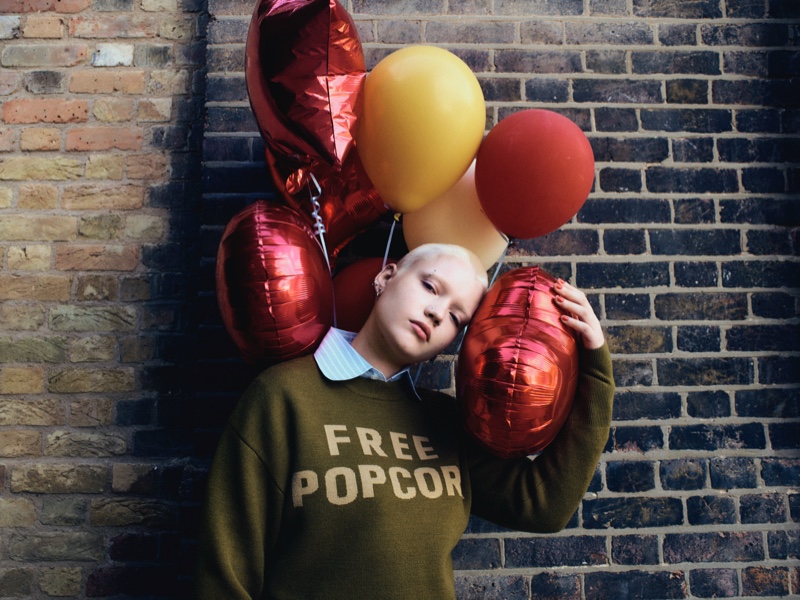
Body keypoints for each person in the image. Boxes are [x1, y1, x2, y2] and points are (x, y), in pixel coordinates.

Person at [195, 242, 614, 599]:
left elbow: (545, 506)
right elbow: (224, 574)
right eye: (430, 286)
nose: (435, 313)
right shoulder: (283, 396)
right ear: (386, 276)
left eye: (455, 318)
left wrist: (595, 361)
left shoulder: (446, 422)